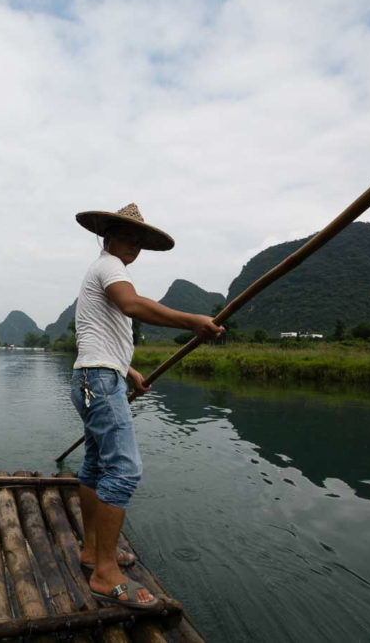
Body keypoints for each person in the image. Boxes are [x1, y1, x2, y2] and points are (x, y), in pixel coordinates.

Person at [71, 202, 222, 609]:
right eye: (128, 237)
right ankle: (104, 573)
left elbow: (97, 335)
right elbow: (133, 306)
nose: (135, 246)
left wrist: (128, 371)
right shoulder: (110, 269)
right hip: (98, 382)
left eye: (140, 240)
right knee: (124, 469)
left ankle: (91, 551)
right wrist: (191, 320)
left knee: (95, 465)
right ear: (108, 236)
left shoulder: (102, 271)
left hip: (95, 377)